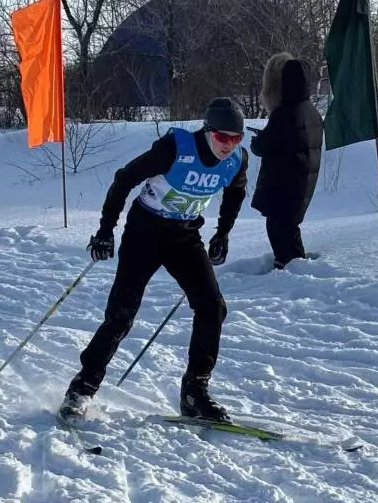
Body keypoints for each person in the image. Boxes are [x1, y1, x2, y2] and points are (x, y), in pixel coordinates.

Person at [59, 97, 249, 424]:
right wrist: (106, 230)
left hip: (184, 236)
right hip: (144, 232)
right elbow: (123, 179)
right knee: (122, 315)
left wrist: (223, 234)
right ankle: (82, 388)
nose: (229, 146)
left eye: (237, 139)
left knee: (212, 307)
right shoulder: (174, 149)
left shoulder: (236, 161)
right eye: (223, 138)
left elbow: (236, 192)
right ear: (207, 131)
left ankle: (195, 390)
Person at [250, 52, 324, 269]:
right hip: (301, 184)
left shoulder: (283, 115)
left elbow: (261, 147)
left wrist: (259, 139)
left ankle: (290, 273)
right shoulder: (311, 111)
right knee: (290, 230)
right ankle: (296, 269)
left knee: (280, 232)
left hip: (284, 185)